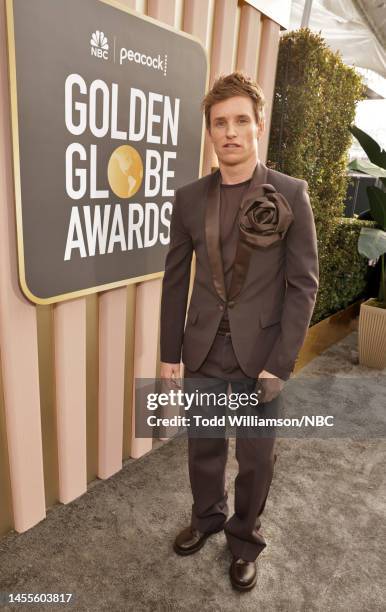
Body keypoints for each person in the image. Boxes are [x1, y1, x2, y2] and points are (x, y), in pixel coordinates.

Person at [159, 71, 319, 591]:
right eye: (220, 122)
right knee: (202, 444)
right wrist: (169, 355)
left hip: (262, 351)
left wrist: (281, 360)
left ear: (258, 125)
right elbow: (174, 281)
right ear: (209, 130)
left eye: (240, 121)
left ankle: (244, 538)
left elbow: (303, 285)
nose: (230, 131)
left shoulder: (290, 194)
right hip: (203, 345)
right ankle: (206, 518)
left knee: (255, 455)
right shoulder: (189, 199)